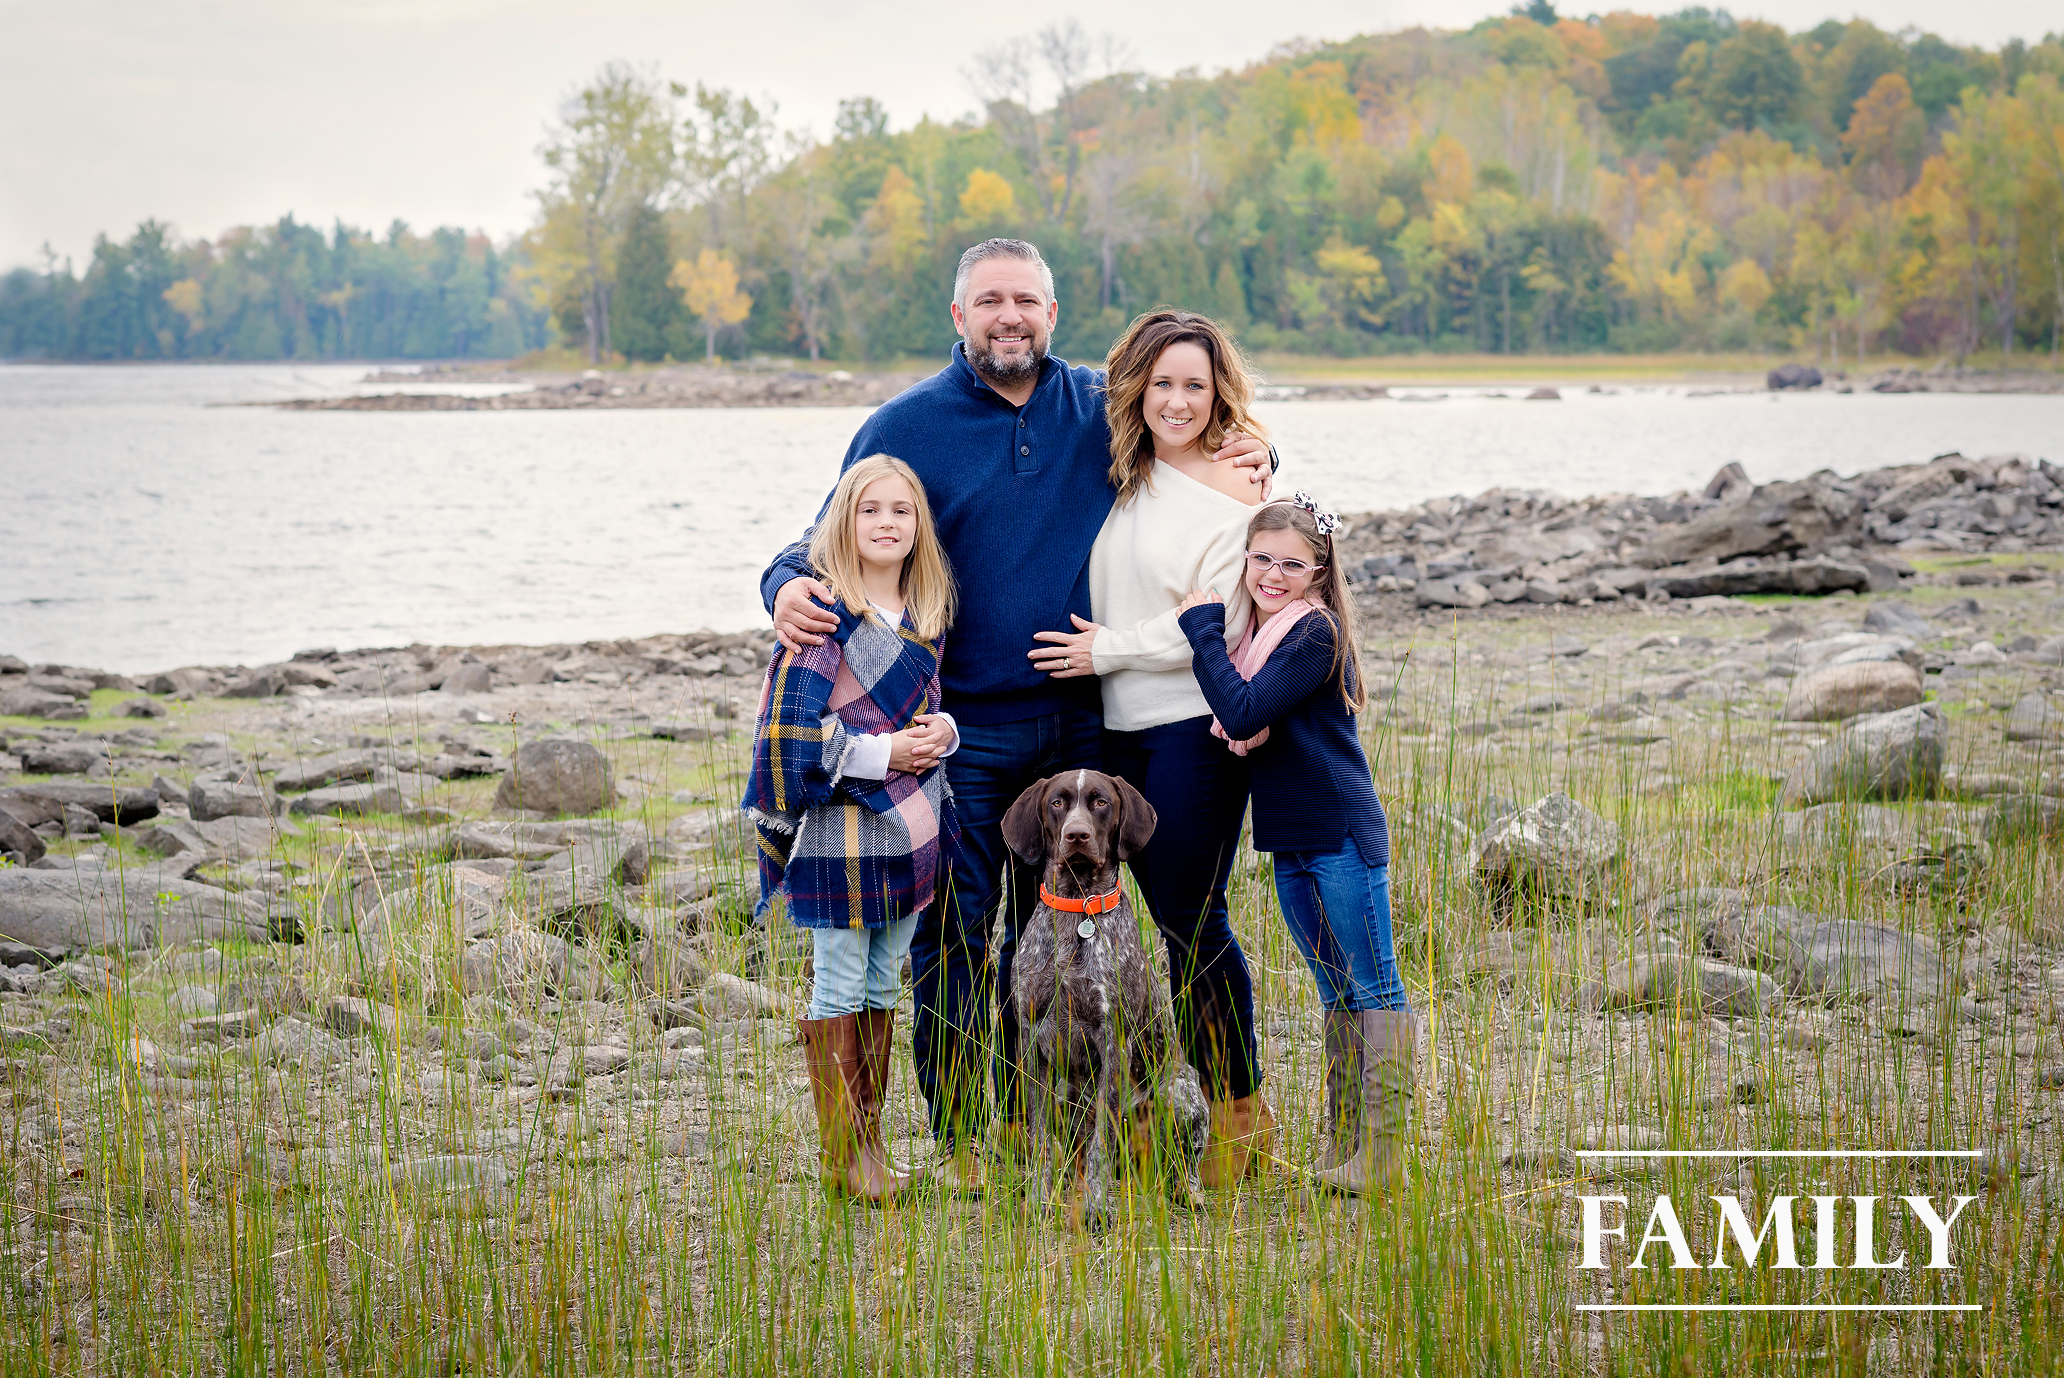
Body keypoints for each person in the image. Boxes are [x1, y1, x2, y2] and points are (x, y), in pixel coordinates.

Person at [760, 239, 1274, 1194]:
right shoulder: (905, 422)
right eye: (989, 301)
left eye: (1027, 300)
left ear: (1052, 312)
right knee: (956, 936)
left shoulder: (1096, 406)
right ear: (958, 317)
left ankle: (1214, 1120)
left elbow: (1190, 432)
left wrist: (1256, 448)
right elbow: (827, 533)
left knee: (1147, 924)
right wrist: (781, 583)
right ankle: (972, 1137)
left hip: (1090, 727)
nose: (1010, 316)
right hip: (966, 729)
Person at [1027, 309, 1275, 1187]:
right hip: (1109, 727)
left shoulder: (1241, 494)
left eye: (1196, 387)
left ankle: (1240, 1115)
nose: (1177, 401)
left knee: (1187, 920)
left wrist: (1107, 648)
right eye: (1161, 383)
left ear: (1222, 395)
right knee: (1111, 925)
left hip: (1190, 725)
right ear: (1132, 387)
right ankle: (1125, 1117)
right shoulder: (1118, 473)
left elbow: (1221, 619)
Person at [1174, 493, 1411, 1197]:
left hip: (1340, 831)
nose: (1274, 575)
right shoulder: (1263, 636)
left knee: (1374, 986)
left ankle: (1384, 1154)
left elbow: (1240, 710)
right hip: (1291, 837)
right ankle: (1347, 1144)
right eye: (1262, 560)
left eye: (1292, 564)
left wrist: (1200, 629)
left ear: (1319, 569)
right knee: (1335, 990)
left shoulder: (1311, 634)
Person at [743, 454, 961, 1204]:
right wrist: (885, 752)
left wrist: (944, 735)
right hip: (839, 835)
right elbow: (791, 739)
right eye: (870, 510)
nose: (887, 524)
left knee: (880, 980)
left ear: (919, 528)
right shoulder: (822, 620)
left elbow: (928, 709)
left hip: (914, 830)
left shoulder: (926, 616)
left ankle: (869, 1145)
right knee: (838, 981)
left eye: (902, 511)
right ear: (842, 522)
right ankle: (846, 1158)